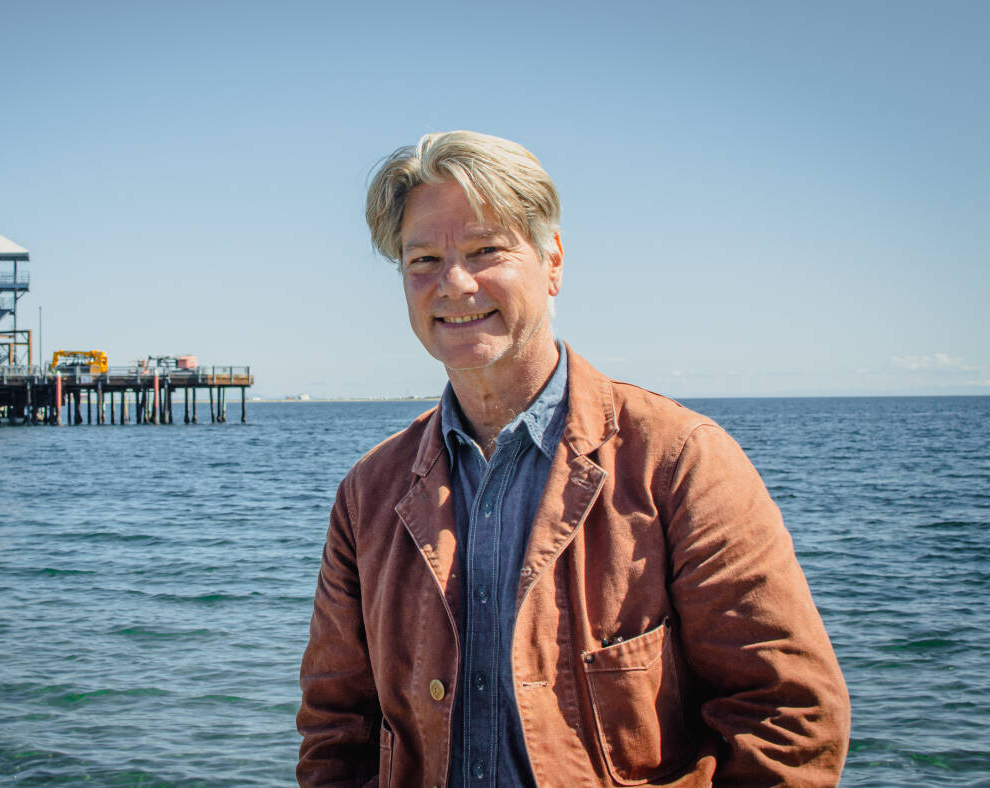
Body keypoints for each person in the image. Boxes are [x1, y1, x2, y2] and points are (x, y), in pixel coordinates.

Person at [296, 131, 850, 787]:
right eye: (423, 260)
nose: (454, 282)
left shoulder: (678, 460)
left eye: (485, 250)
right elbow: (337, 730)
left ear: (552, 261)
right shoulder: (369, 493)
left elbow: (786, 717)